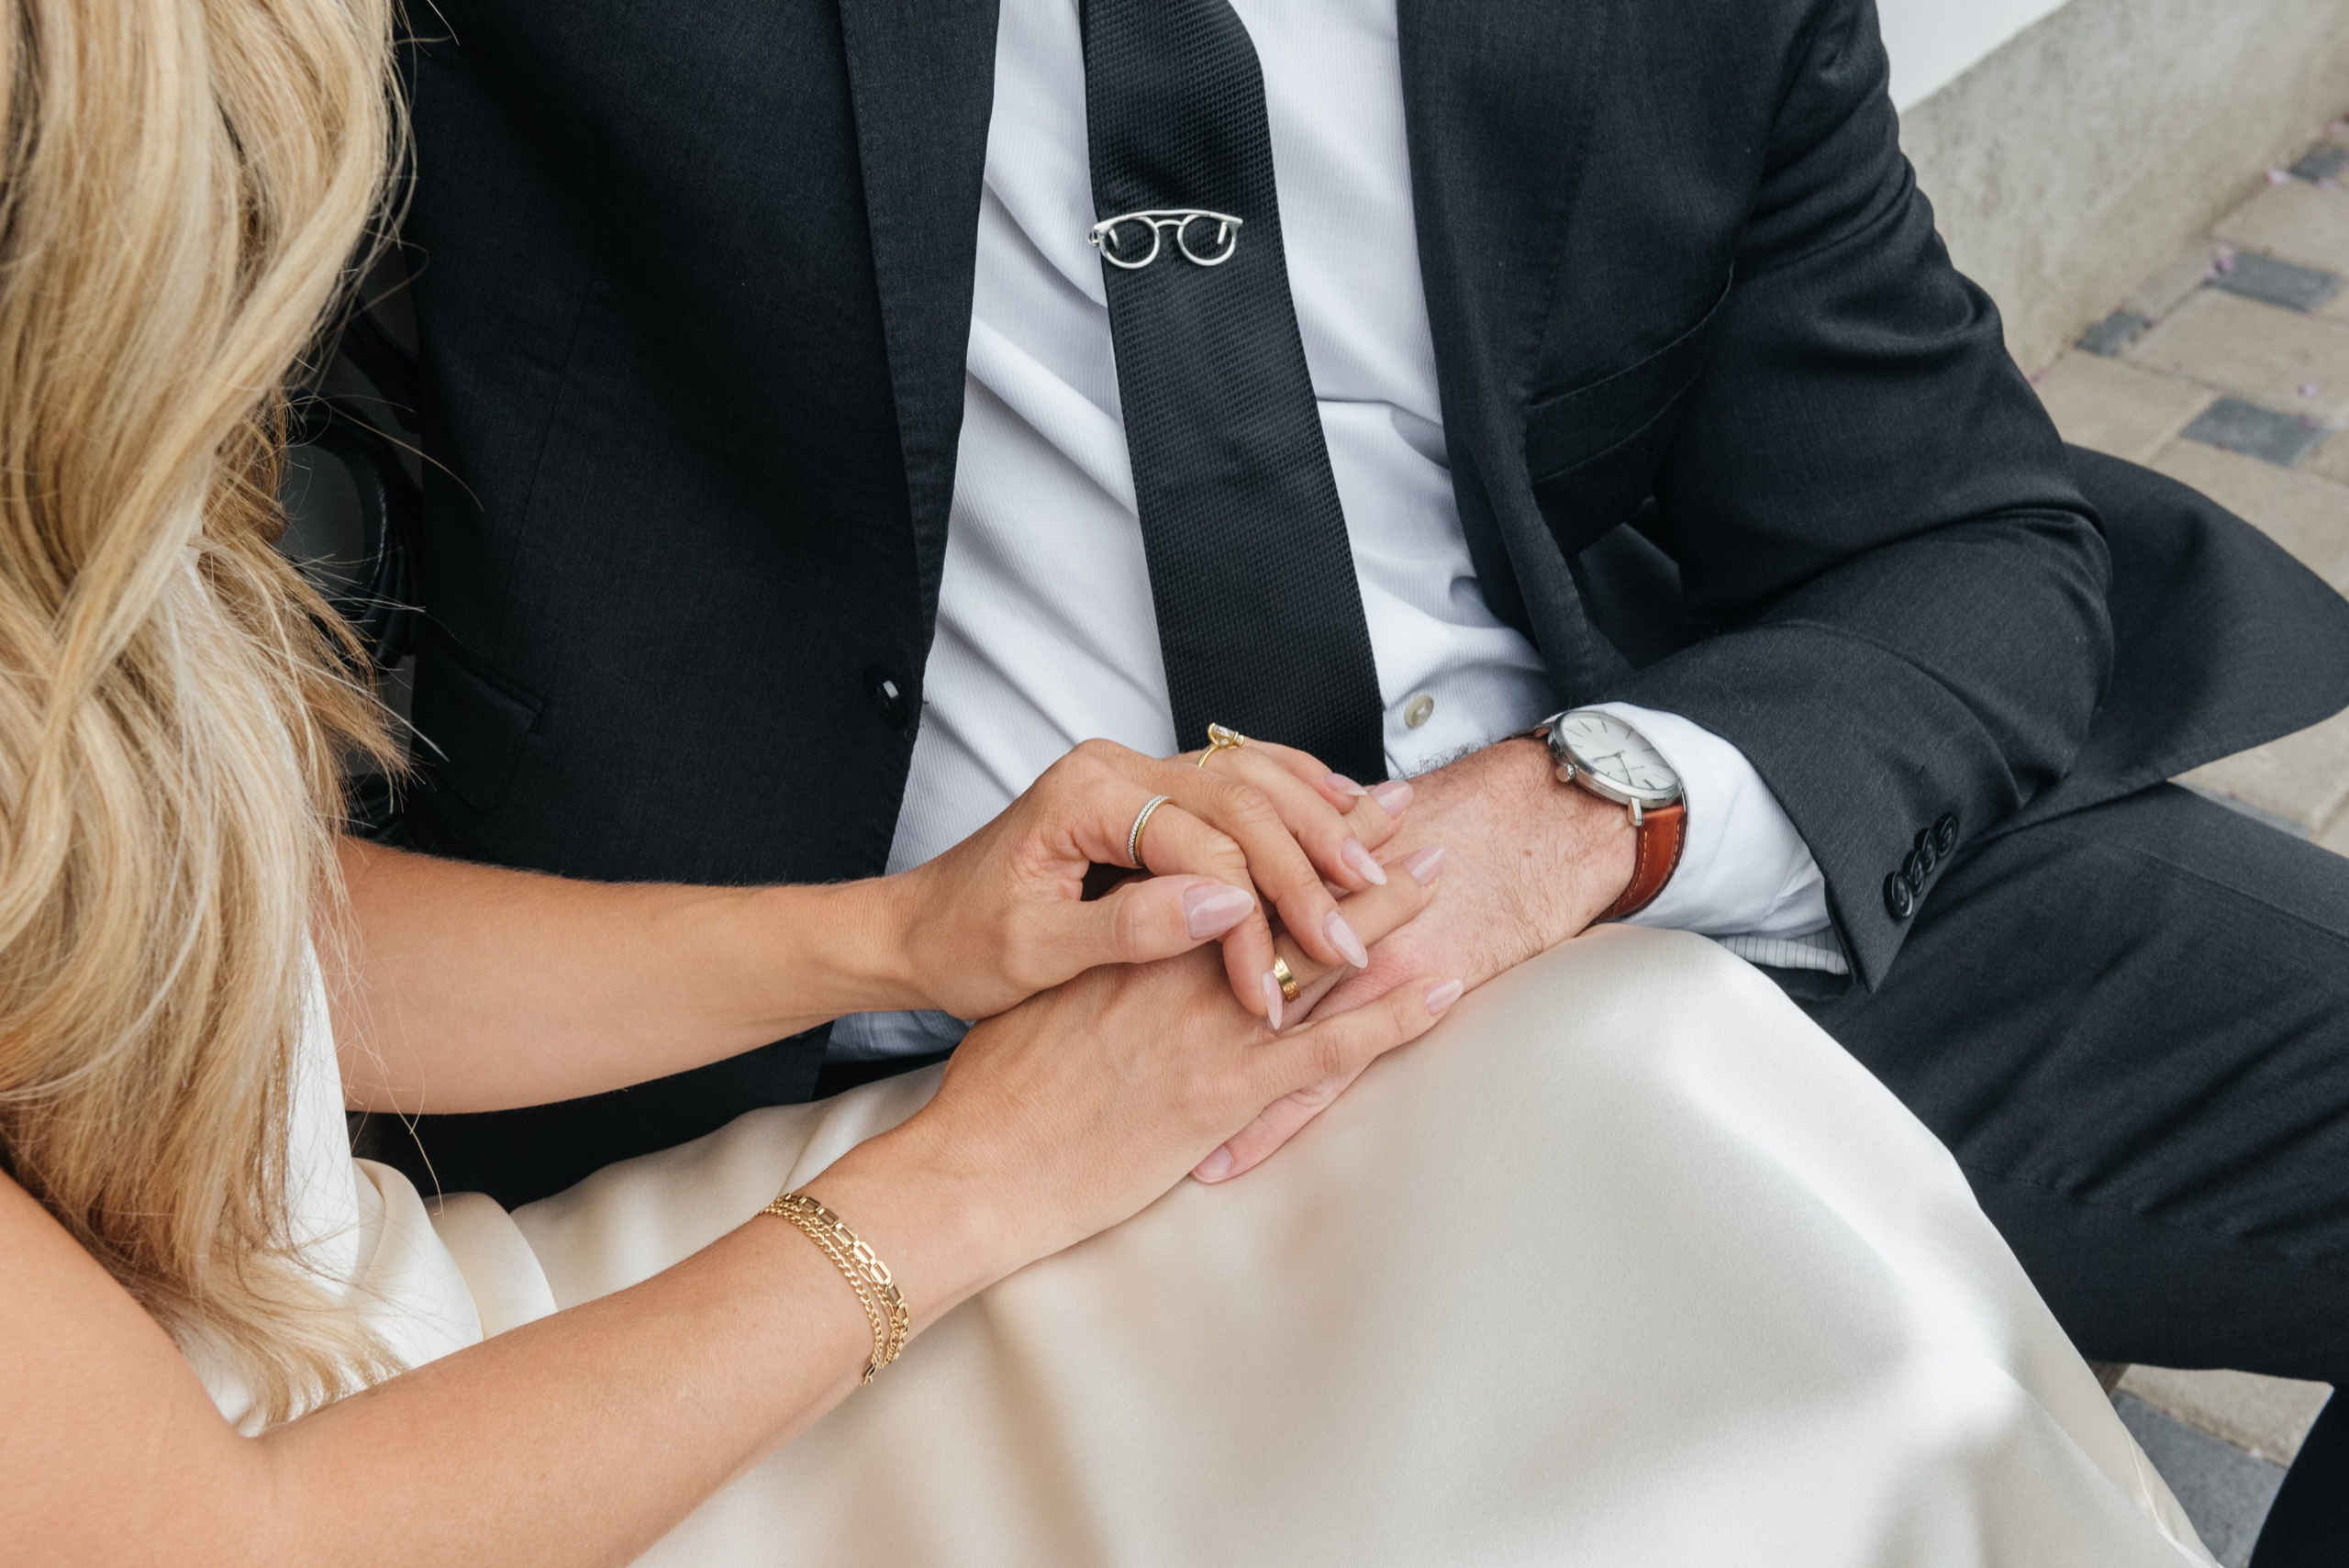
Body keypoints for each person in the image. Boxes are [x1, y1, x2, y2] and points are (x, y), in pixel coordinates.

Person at [0, 1, 2227, 1562]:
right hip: (557, 1363)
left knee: (1671, 1147)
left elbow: (193, 957)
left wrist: (911, 930)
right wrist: (981, 1166)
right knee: (1746, 1326)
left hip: (1550, 872)